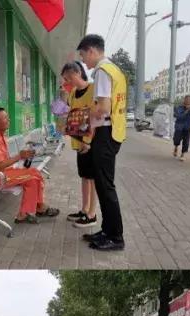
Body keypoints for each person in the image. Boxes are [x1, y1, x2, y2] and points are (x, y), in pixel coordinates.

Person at [77, 34, 127, 251]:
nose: (83, 61)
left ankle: (115, 237)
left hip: (106, 132)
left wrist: (85, 113)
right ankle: (107, 230)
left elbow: (104, 108)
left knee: (105, 186)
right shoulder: (115, 70)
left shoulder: (102, 71)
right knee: (102, 184)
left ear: (91, 51)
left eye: (83, 56)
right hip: (112, 132)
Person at [0, 107, 60, 225]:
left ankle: (30, 211)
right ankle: (35, 209)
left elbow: (3, 162)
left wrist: (22, 156)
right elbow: (0, 165)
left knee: (35, 173)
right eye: (5, 118)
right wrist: (20, 156)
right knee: (32, 178)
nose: (8, 120)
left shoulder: (0, 136)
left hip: (5, 173)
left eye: (7, 117)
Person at [60, 62, 98, 229]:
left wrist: (88, 142)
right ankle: (84, 209)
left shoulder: (93, 89)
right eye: (65, 79)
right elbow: (71, 114)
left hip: (90, 142)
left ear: (77, 73)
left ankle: (92, 214)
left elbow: (95, 118)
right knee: (84, 176)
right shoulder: (73, 93)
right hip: (78, 141)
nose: (67, 82)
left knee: (92, 178)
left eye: (68, 78)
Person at [173, 95, 190, 160]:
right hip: (179, 127)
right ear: (184, 101)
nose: (188, 101)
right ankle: (176, 148)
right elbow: (179, 116)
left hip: (187, 127)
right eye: (186, 100)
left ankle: (182, 155)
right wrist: (187, 111)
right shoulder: (179, 108)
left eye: (189, 100)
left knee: (186, 141)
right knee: (176, 140)